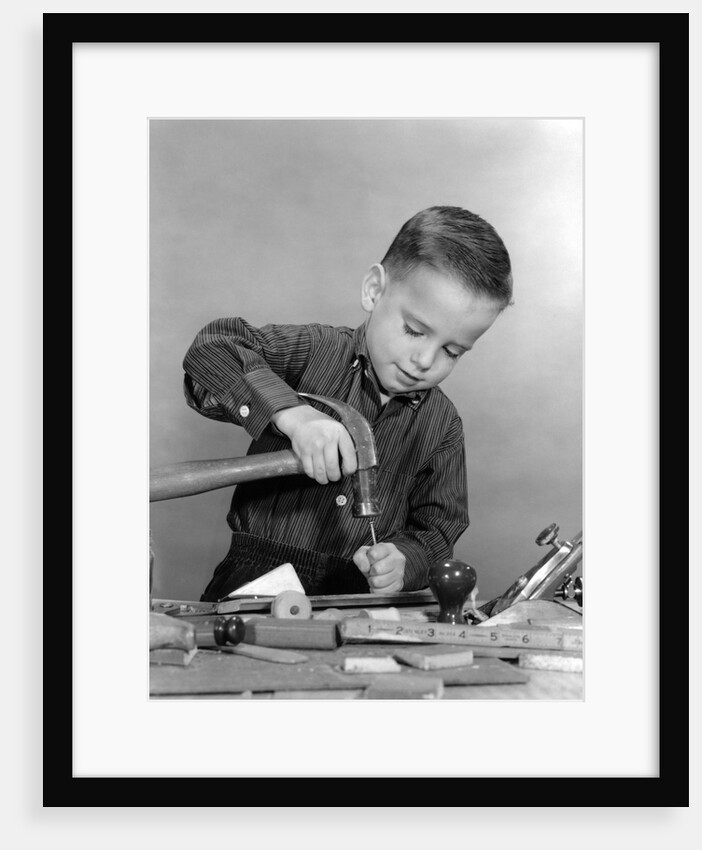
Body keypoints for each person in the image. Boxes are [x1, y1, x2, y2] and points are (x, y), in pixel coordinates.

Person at [182, 205, 513, 601]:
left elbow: (438, 528)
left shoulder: (442, 425)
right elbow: (213, 347)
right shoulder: (313, 352)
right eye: (413, 330)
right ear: (374, 290)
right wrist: (292, 415)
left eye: (453, 351)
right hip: (254, 582)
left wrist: (405, 561)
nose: (424, 361)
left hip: (357, 600)